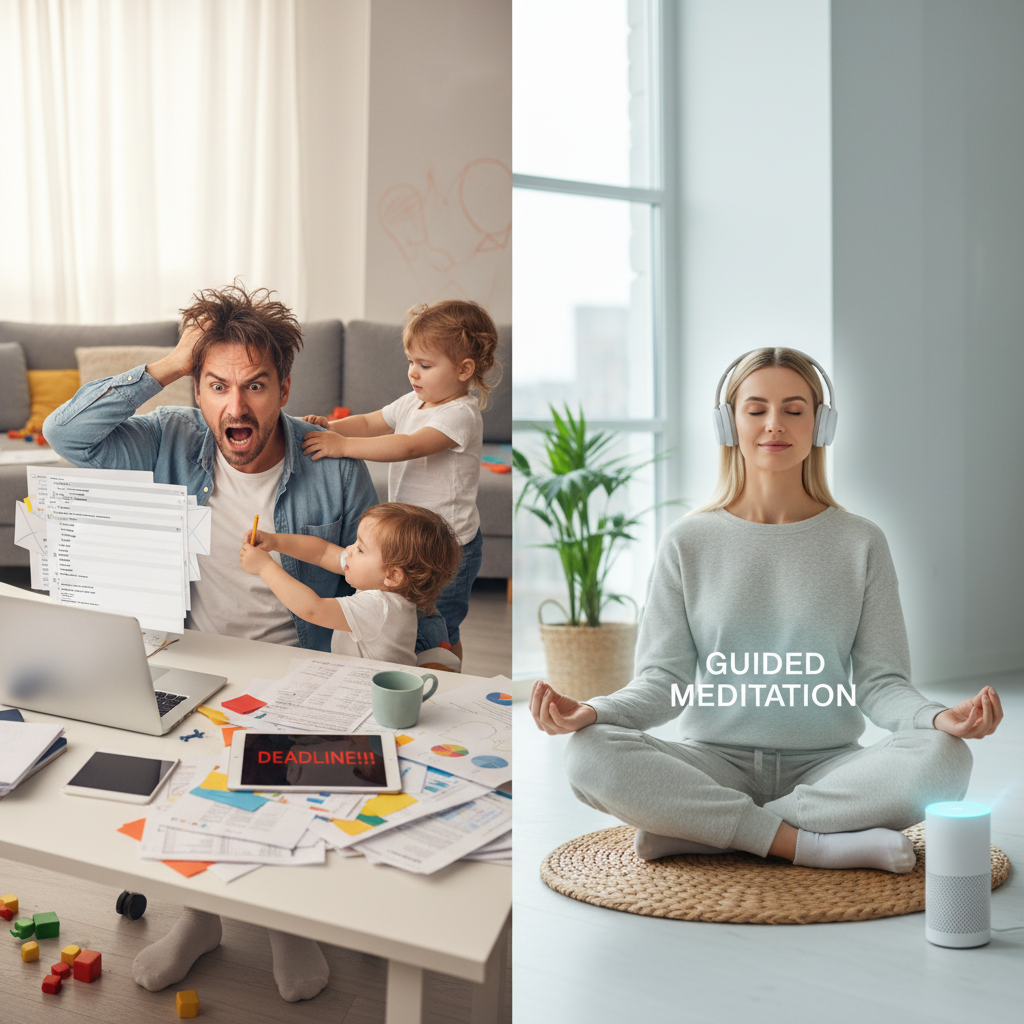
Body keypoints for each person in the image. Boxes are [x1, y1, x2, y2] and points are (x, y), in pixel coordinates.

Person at [42, 283, 444, 1001]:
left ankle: (287, 922)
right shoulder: (170, 437)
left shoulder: (335, 465)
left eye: (256, 386)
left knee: (282, 777)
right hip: (194, 655)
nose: (237, 407)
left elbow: (386, 580)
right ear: (197, 390)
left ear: (284, 387)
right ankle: (202, 919)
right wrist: (171, 362)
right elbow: (66, 435)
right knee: (193, 777)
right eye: (218, 385)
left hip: (306, 665)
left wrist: (437, 651)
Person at [530, 347, 1003, 872]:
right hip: (712, 762)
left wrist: (936, 717)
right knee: (588, 752)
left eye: (794, 410)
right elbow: (663, 680)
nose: (773, 424)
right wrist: (596, 711)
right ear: (728, 423)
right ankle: (808, 844)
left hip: (829, 768)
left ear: (821, 425)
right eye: (755, 409)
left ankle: (707, 830)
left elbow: (881, 682)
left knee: (945, 759)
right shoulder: (688, 541)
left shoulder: (861, 541)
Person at [300, 299, 499, 664]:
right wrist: (331, 427)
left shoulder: (460, 414)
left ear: (463, 369)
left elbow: (407, 447)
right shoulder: (414, 402)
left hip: (448, 546)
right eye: (411, 362)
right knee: (410, 621)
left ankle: (449, 677)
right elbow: (372, 421)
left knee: (441, 629)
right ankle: (411, 670)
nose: (413, 373)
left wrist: (343, 447)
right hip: (411, 539)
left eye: (425, 365)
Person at [240, 502, 462, 665]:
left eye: (360, 548)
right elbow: (323, 552)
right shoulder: (379, 580)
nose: (349, 550)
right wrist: (275, 541)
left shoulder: (381, 606)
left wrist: (264, 567)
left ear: (393, 576)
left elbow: (312, 609)